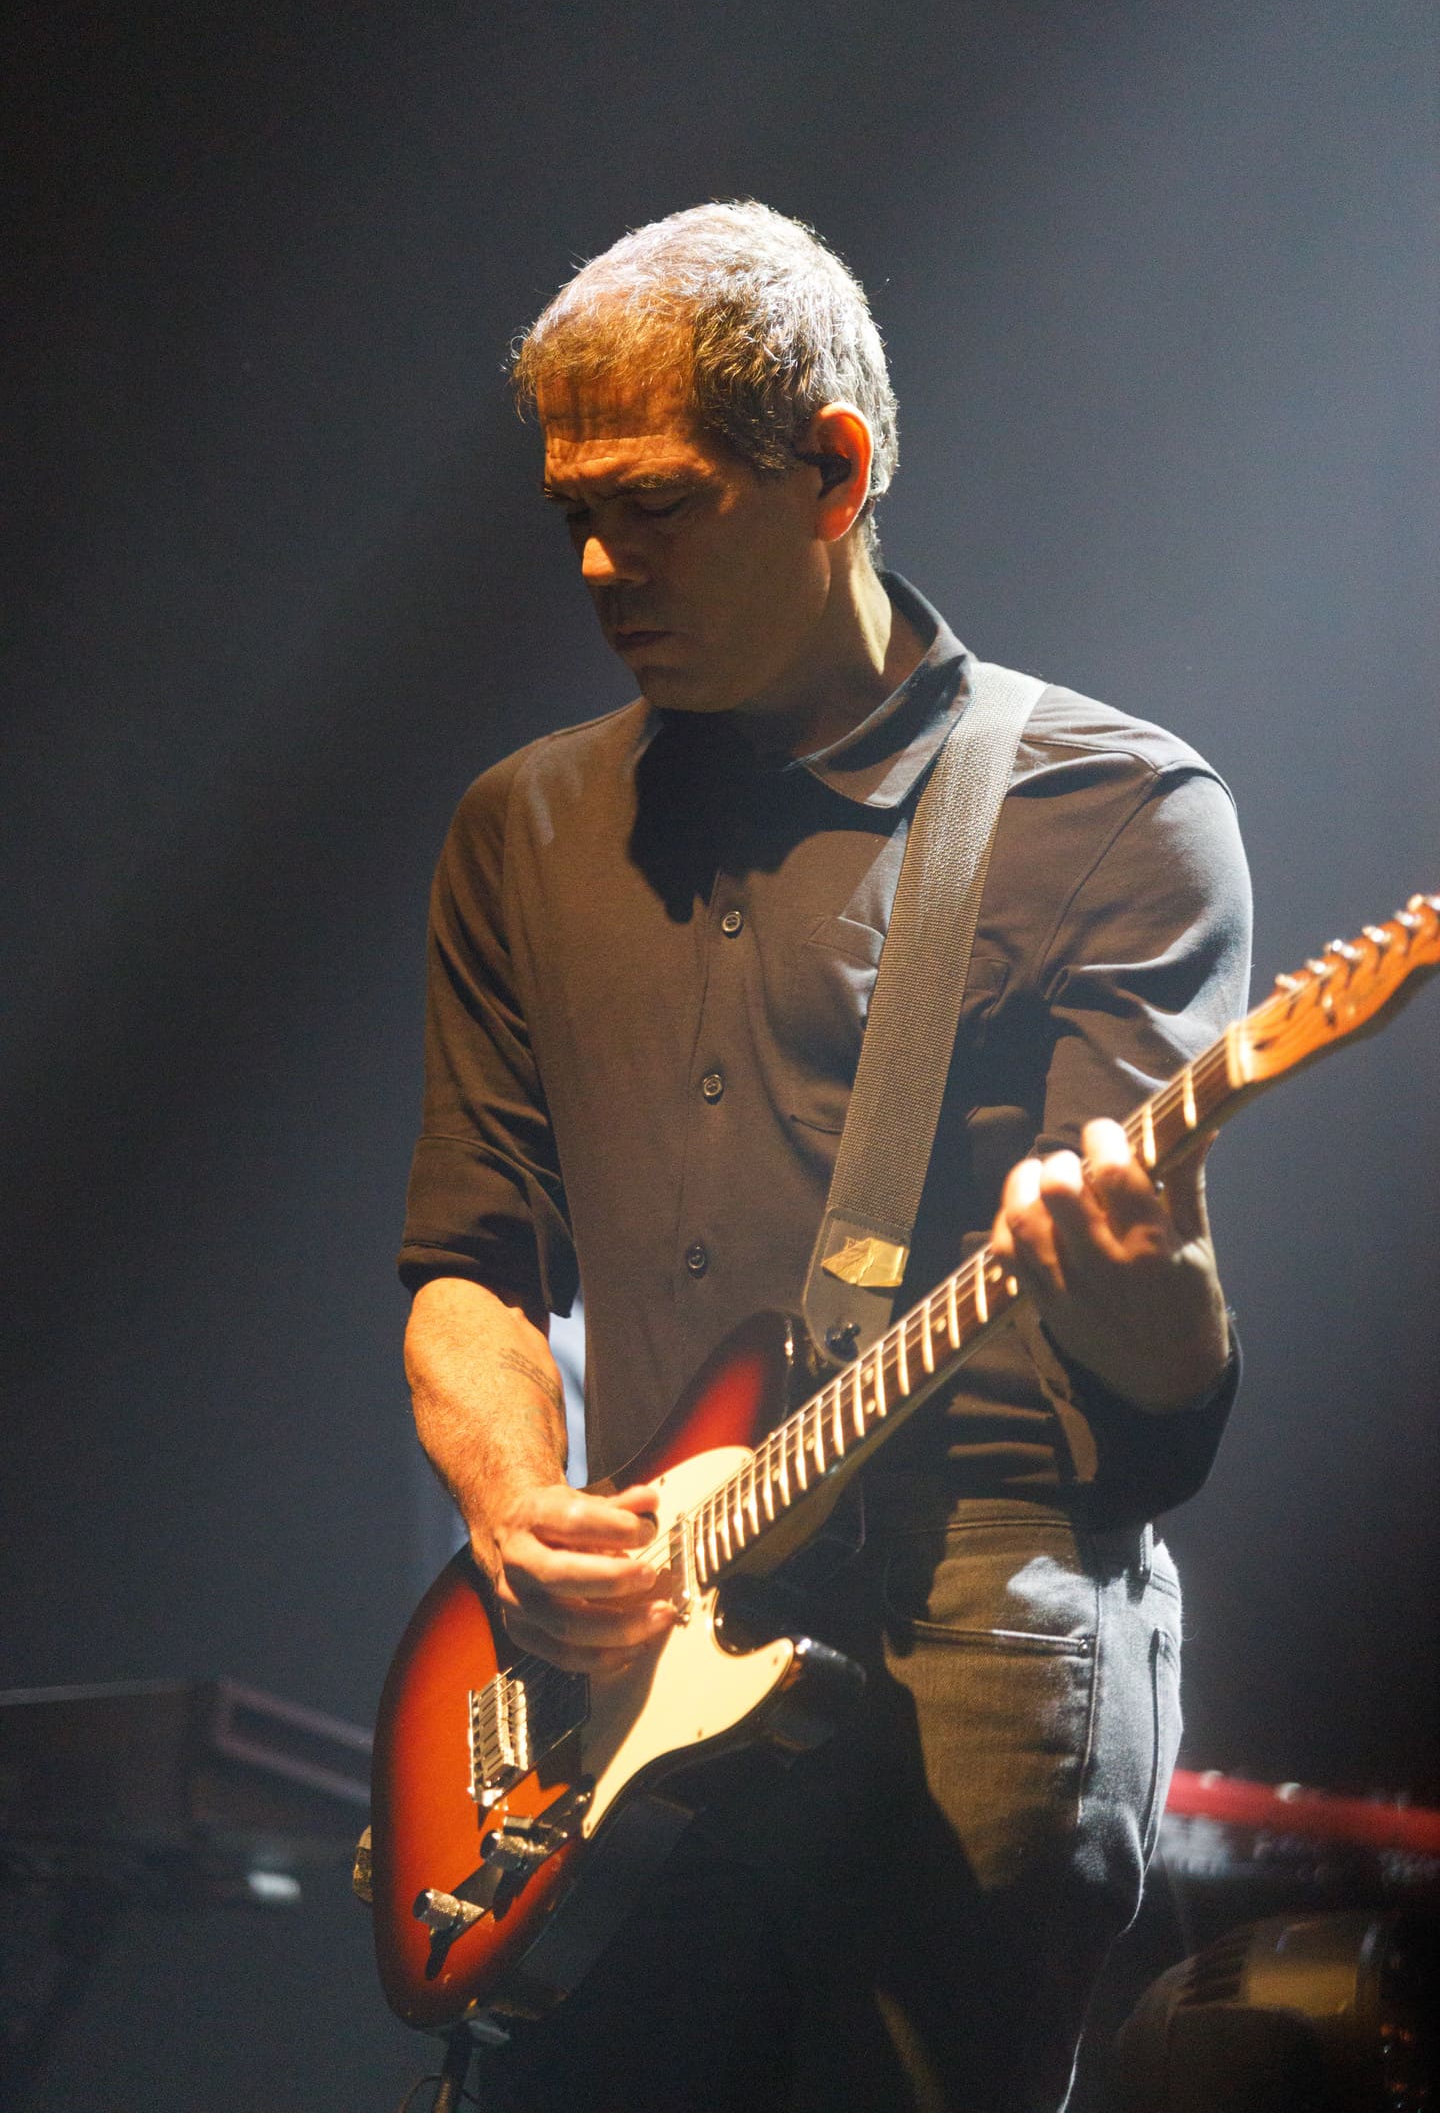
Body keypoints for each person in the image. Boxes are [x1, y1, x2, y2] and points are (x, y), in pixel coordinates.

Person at [398, 201, 1251, 2111]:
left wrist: (1145, 1274)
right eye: (573, 516)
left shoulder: (1112, 813)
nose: (601, 564)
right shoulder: (520, 828)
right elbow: (467, 1261)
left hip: (974, 1646)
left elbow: (1162, 1425)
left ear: (836, 472)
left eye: (658, 505)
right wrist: (515, 1505)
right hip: (642, 1648)